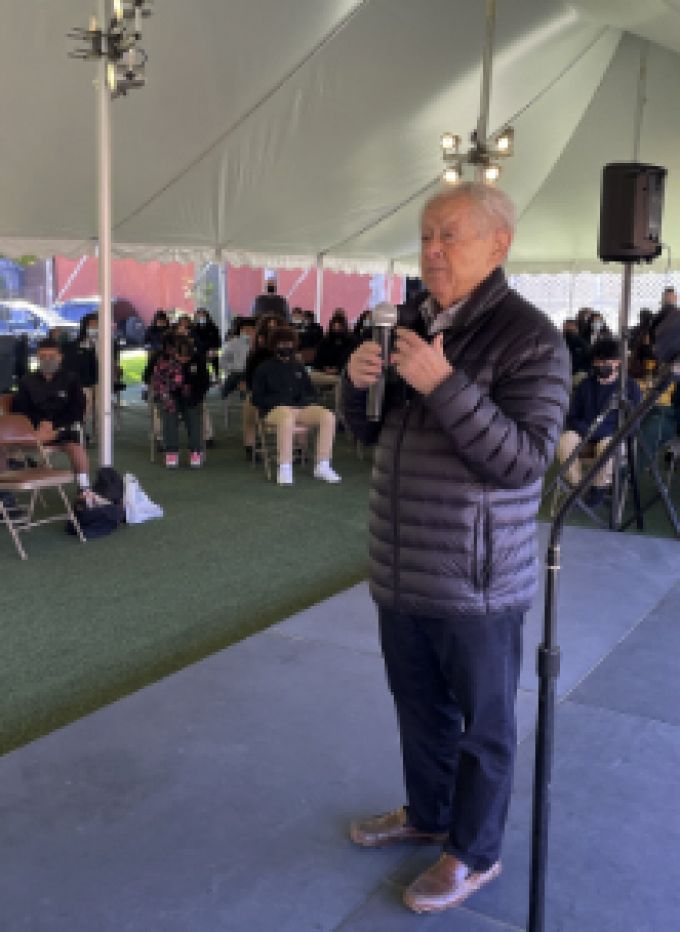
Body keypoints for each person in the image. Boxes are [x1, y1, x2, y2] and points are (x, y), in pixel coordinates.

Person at [342, 182, 570, 914]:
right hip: (401, 565)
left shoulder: (531, 337)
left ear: (498, 244)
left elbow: (525, 460)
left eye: (450, 236)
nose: (432, 251)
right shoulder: (408, 321)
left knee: (485, 728)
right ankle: (429, 815)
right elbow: (372, 433)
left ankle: (474, 853)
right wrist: (355, 388)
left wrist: (444, 386)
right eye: (425, 237)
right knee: (418, 708)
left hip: (478, 580)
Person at [557, 336, 642, 507]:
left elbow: (633, 422)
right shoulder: (585, 385)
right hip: (585, 435)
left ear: (617, 362)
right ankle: (578, 487)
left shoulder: (629, 387)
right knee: (565, 440)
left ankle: (598, 489)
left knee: (608, 446)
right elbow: (572, 416)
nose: (599, 365)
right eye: (597, 361)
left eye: (604, 361)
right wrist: (585, 430)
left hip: (611, 437)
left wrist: (600, 431)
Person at [252, 325, 341, 485]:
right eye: (281, 344)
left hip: (300, 408)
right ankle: (284, 467)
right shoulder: (264, 369)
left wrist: (304, 402)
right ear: (274, 346)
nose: (286, 348)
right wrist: (280, 402)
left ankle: (323, 464)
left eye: (289, 344)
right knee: (286, 417)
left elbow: (309, 391)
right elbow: (257, 398)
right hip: (275, 411)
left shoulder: (298, 367)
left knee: (328, 416)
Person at [12, 337, 92, 493]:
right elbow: (20, 410)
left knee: (76, 449)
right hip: (34, 431)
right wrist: (39, 425)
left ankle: (84, 490)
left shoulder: (71, 380)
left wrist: (54, 427)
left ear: (60, 358)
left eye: (51, 357)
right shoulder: (27, 381)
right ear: (37, 358)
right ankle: (6, 496)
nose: (47, 360)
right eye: (42, 357)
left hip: (63, 429)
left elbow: (76, 411)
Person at [150, 333, 210, 468]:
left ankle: (195, 451)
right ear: (174, 353)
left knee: (193, 415)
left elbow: (203, 382)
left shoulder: (198, 360)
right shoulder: (163, 360)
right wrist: (166, 396)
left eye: (186, 359)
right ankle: (171, 451)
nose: (183, 361)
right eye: (180, 358)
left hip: (191, 394)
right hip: (169, 394)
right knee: (169, 416)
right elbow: (157, 381)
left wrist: (195, 396)